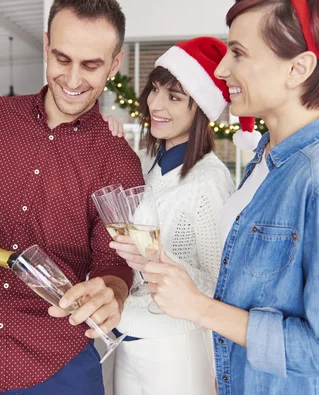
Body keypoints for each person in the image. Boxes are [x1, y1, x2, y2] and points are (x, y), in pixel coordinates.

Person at [140, 0, 319, 394]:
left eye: (238, 52)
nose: (222, 67)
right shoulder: (267, 157)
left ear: (298, 68)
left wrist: (200, 308)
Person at [0, 0, 144, 393]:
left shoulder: (118, 159)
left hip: (57, 361)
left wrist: (114, 292)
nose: (72, 80)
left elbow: (113, 261)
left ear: (115, 63)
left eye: (91, 65)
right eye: (63, 59)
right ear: (48, 46)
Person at [107, 37, 239, 395]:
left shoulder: (209, 180)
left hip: (175, 349)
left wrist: (157, 259)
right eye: (155, 89)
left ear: (201, 110)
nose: (156, 104)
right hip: (129, 341)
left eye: (174, 96)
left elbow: (219, 285)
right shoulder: (156, 168)